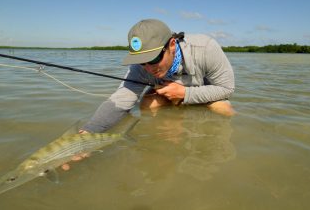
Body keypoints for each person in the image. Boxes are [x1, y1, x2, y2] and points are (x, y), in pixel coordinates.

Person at [61, 19, 235, 170]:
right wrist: (90, 132)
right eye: (141, 61)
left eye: (153, 59)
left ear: (172, 45)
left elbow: (227, 88)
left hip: (204, 91)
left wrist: (185, 93)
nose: (148, 68)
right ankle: (166, 134)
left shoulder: (206, 48)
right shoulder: (142, 67)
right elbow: (121, 99)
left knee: (223, 109)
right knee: (147, 104)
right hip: (170, 93)